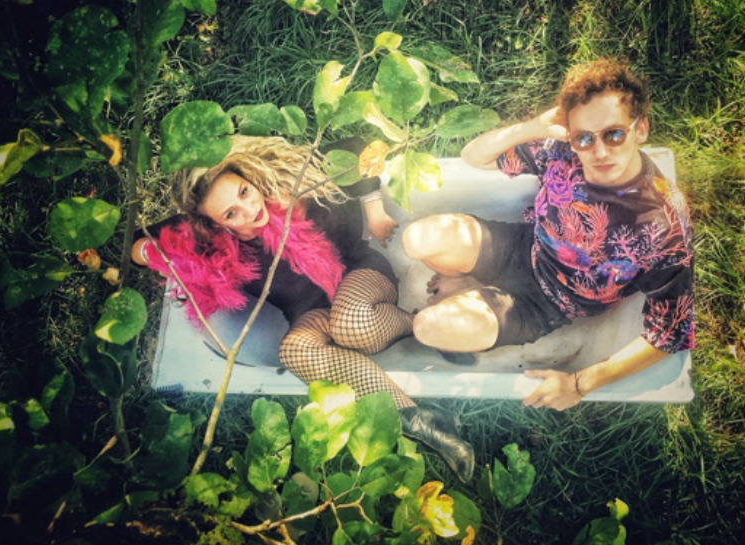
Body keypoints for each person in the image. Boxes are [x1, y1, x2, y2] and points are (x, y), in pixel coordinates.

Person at [132, 135, 475, 483]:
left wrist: (374, 210)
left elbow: (356, 149)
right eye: (230, 213)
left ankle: (425, 326)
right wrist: (157, 253)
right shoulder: (209, 235)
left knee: (352, 324)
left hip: (359, 275)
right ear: (214, 223)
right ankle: (425, 422)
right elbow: (136, 243)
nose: (249, 210)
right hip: (311, 311)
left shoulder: (293, 184)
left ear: (248, 177)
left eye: (244, 192)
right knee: (295, 350)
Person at [402, 58, 694, 411]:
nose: (599, 152)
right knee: (416, 239)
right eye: (584, 137)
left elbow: (670, 333)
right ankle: (474, 286)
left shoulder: (662, 224)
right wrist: (533, 127)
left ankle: (479, 298)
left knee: (427, 327)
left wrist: (579, 383)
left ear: (641, 129)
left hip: (550, 303)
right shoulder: (563, 152)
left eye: (614, 134)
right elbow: (473, 156)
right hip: (522, 247)